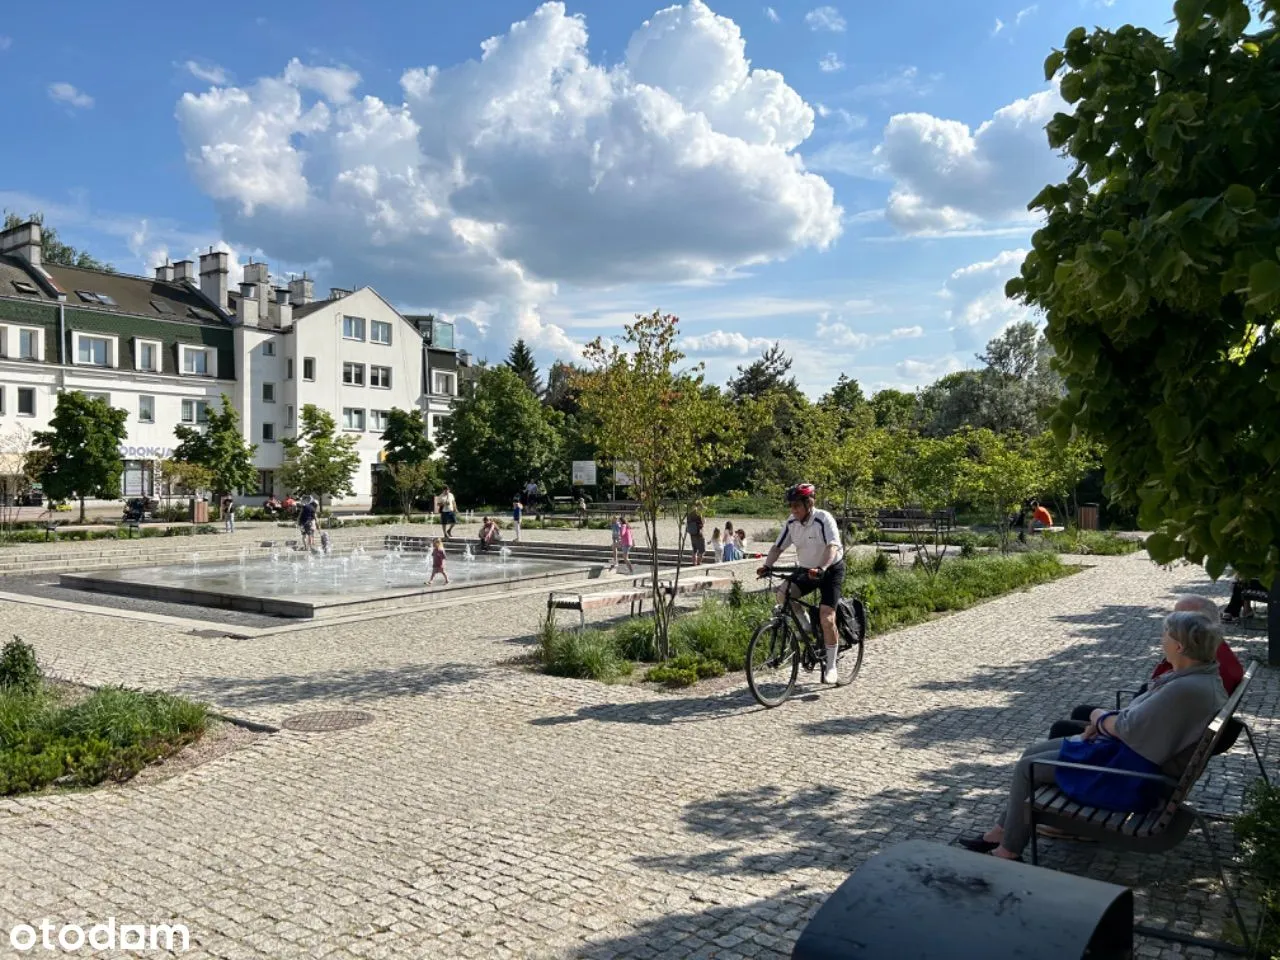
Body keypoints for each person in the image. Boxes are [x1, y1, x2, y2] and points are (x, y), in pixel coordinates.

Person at [960, 611, 1227, 861]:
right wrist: (1102, 724)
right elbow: (1138, 721)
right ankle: (999, 832)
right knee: (1032, 754)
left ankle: (1009, 851)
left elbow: (1127, 728)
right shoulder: (1198, 678)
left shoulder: (1185, 688)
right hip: (1127, 758)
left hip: (1131, 777)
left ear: (1179, 646)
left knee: (1027, 768)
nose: (1161, 639)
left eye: (1166, 634)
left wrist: (1098, 717)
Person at [1048, 595, 1243, 739]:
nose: (1170, 626)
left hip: (1143, 735)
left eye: (1180, 619)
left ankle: (1067, 772)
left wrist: (1105, 721)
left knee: (1062, 728)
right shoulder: (1207, 656)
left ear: (1199, 625)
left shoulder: (1207, 667)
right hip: (1144, 720)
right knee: (1081, 713)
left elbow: (1166, 721)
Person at [757, 483, 846, 684]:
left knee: (826, 617)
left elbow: (832, 546)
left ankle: (831, 666)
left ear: (809, 503)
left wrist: (822, 568)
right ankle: (805, 625)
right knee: (783, 594)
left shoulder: (823, 519)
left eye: (797, 505)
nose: (793, 510)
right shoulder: (791, 522)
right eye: (791, 506)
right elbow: (777, 547)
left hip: (830, 569)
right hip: (807, 569)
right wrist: (767, 565)